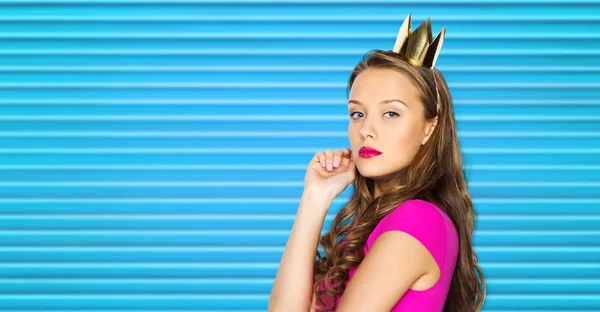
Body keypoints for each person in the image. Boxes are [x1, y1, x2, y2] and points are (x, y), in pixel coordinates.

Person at [268, 14, 486, 312]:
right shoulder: (372, 224)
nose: (366, 130)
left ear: (429, 128)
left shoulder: (418, 220)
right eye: (358, 113)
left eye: (391, 113)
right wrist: (314, 198)